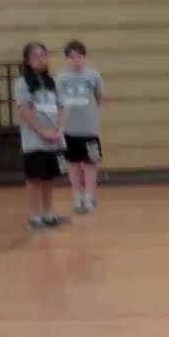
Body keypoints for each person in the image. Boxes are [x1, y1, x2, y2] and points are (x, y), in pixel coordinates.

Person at [14, 42, 69, 229]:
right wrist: (42, 132)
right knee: (34, 179)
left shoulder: (53, 83)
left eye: (43, 55)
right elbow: (25, 110)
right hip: (35, 141)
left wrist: (59, 130)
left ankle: (48, 214)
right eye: (36, 56)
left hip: (54, 141)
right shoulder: (22, 84)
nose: (41, 59)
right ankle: (35, 216)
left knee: (48, 179)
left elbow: (61, 108)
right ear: (28, 61)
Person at [55, 40, 105, 213]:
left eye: (79, 56)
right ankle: (77, 196)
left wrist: (95, 117)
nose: (76, 60)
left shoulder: (93, 76)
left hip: (89, 129)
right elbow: (57, 103)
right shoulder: (60, 78)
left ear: (84, 57)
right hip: (69, 130)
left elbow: (100, 98)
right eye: (72, 57)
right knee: (74, 164)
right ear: (67, 59)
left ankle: (90, 196)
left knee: (90, 164)